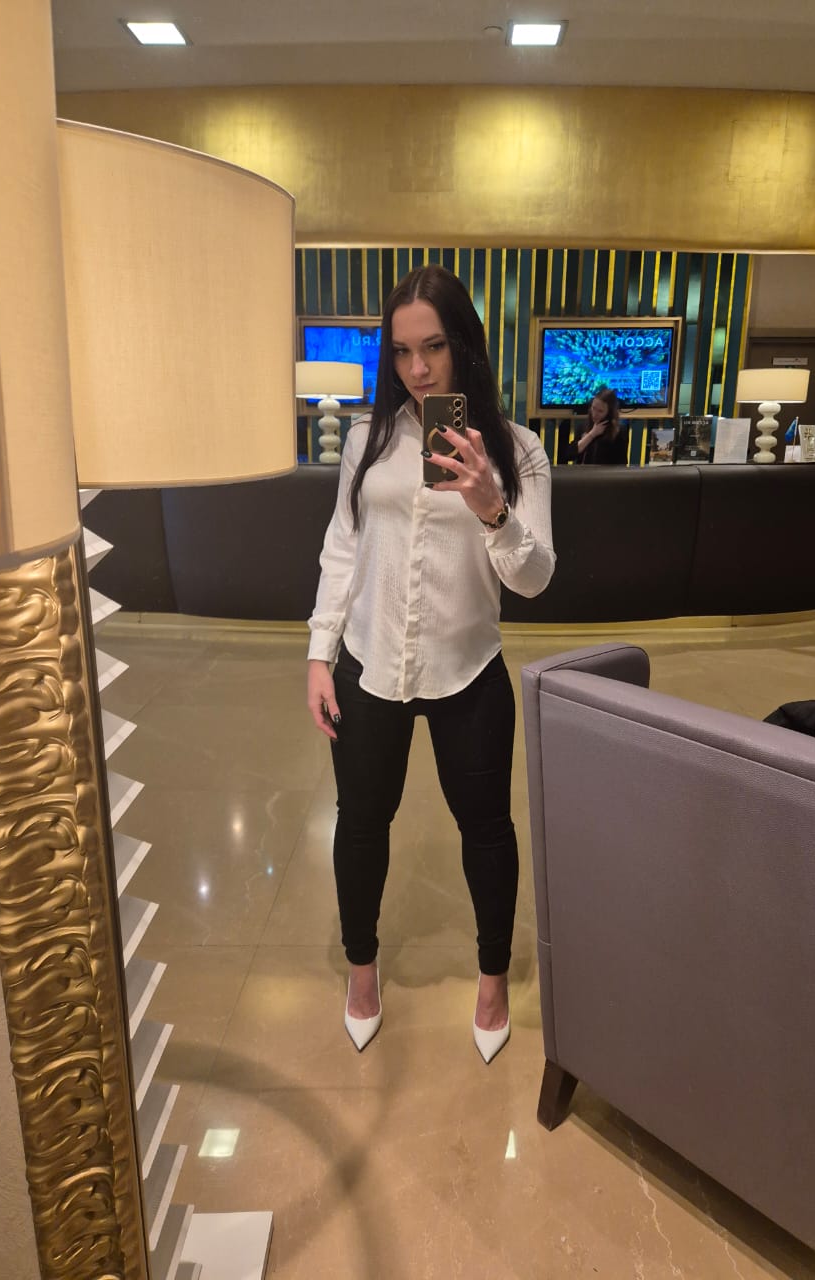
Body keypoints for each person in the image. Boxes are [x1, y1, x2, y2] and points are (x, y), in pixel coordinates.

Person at [306, 264, 555, 1062]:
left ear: (464, 346)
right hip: (368, 662)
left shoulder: (518, 450)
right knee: (360, 823)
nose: (417, 369)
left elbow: (535, 577)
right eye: (402, 351)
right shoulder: (367, 441)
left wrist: (491, 508)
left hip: (467, 669)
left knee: (486, 829)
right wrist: (319, 655)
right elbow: (342, 548)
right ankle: (362, 970)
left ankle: (492, 978)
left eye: (435, 347)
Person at [569, 386, 629, 465]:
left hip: (607, 473)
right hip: (584, 472)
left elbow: (622, 463)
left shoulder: (620, 431)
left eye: (600, 411)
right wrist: (591, 435)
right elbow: (569, 455)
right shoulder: (583, 426)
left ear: (609, 413)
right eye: (593, 408)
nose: (594, 414)